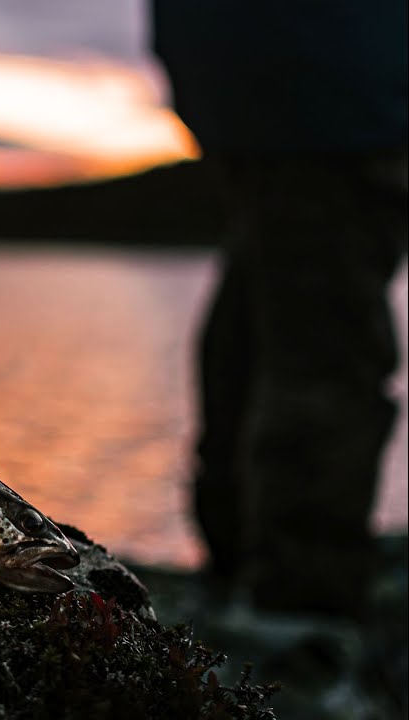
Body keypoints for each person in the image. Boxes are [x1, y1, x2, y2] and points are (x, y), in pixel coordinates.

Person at [152, 1, 407, 625]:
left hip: (254, 89)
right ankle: (301, 608)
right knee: (327, 355)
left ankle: (242, 567)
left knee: (267, 312)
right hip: (342, 96)